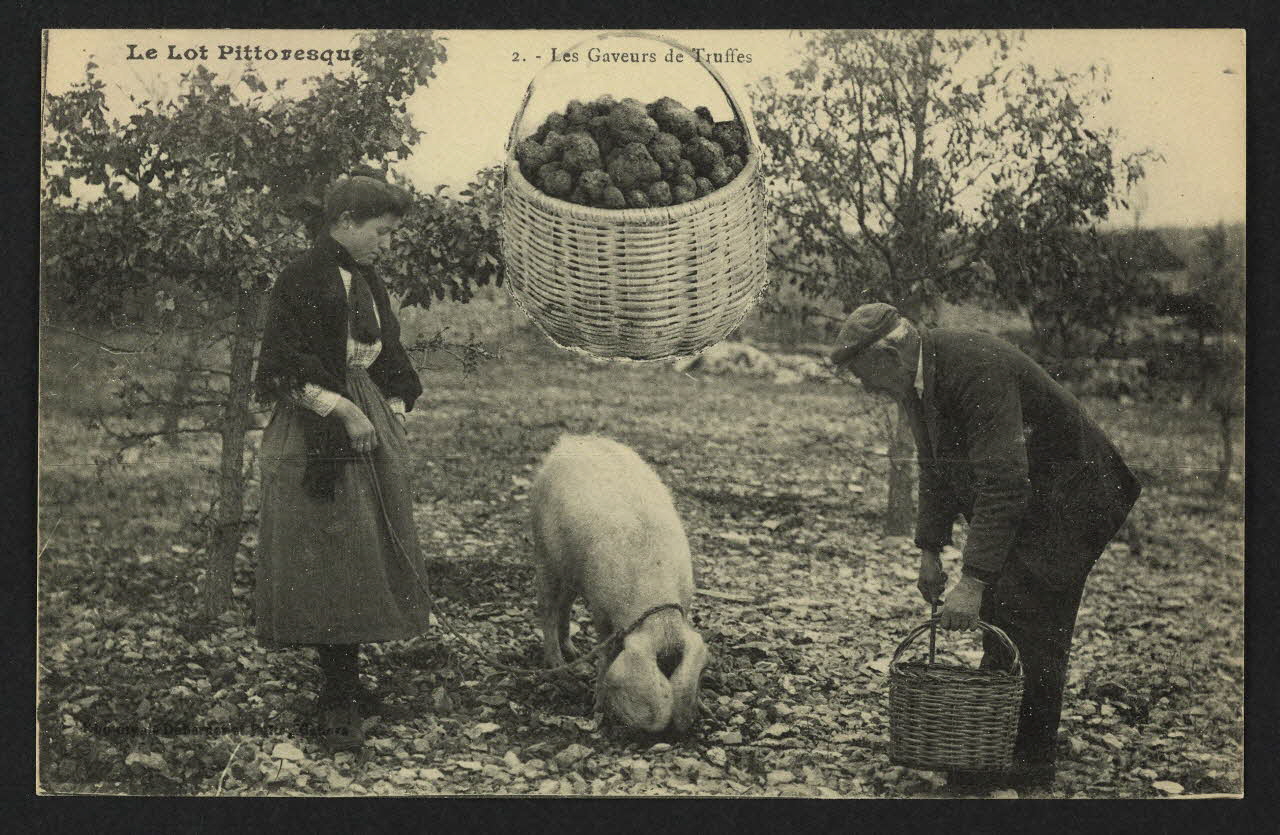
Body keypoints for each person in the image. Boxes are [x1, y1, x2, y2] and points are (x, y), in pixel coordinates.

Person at [829, 303, 1141, 793]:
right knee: (1005, 604)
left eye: (864, 373)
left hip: (1075, 493)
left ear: (891, 352)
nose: (865, 387)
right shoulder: (913, 380)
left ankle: (1027, 759)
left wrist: (971, 579)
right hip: (1032, 493)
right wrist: (930, 550)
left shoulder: (972, 365)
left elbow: (1002, 484)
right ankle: (994, 739)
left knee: (1029, 606)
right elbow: (935, 467)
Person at [253, 172, 429, 752]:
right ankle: (336, 696)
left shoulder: (370, 282)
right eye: (380, 231)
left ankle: (346, 680)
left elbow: (388, 356)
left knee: (365, 547)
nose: (386, 243)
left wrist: (391, 409)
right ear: (346, 222)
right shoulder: (301, 278)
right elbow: (279, 368)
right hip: (315, 429)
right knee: (332, 547)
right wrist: (345, 413)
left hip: (367, 421)